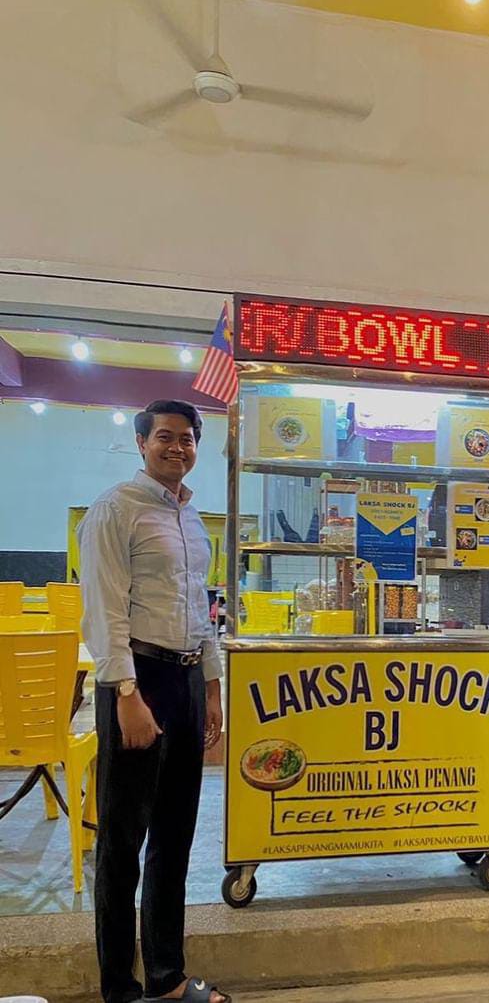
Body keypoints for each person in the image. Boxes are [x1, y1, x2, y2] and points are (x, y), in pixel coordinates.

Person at [79, 400, 230, 1003]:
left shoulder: (191, 519)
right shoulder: (116, 509)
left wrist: (211, 687)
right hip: (137, 682)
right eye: (165, 436)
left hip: (187, 683)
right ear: (141, 442)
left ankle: (166, 978)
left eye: (188, 438)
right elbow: (105, 609)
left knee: (175, 834)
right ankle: (120, 987)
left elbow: (203, 610)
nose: (178, 447)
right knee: (123, 842)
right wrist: (125, 693)